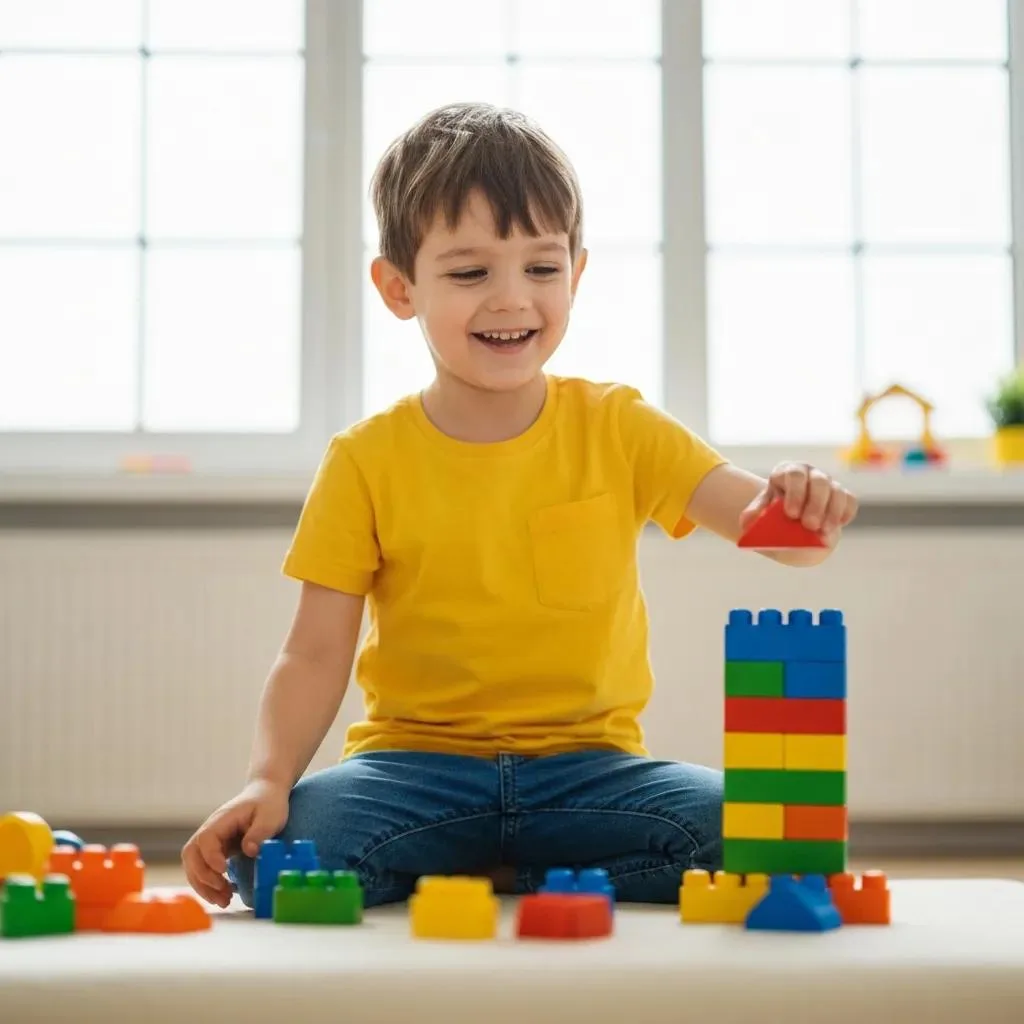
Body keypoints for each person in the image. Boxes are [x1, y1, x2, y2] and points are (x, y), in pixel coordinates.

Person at [181, 102, 858, 911]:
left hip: (594, 775)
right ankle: (529, 874)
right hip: (413, 771)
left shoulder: (620, 425)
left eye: (541, 268)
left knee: (767, 833)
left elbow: (785, 538)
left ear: (577, 272)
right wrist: (268, 779)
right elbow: (314, 653)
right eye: (470, 274)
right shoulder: (364, 459)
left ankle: (505, 878)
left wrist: (806, 507)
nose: (512, 300)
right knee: (275, 859)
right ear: (399, 287)